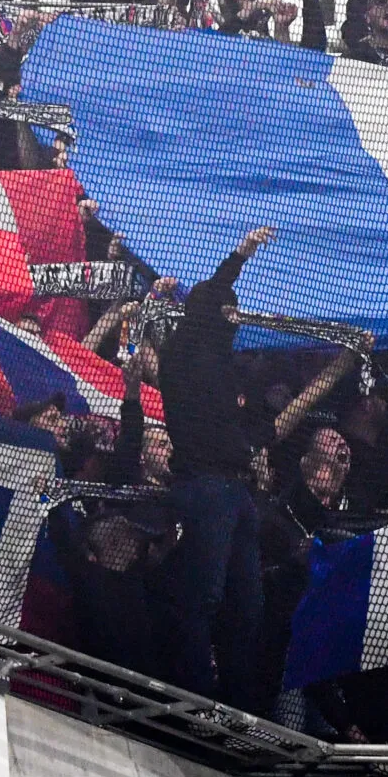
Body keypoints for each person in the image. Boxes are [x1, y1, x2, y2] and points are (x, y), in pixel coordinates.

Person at [151, 226, 275, 715]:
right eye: (223, 308)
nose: (232, 316)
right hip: (205, 487)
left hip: (235, 491)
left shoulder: (220, 361)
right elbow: (210, 298)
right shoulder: (183, 356)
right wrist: (238, 257)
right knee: (204, 598)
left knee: (247, 608)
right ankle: (197, 701)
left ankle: (240, 705)